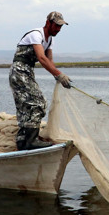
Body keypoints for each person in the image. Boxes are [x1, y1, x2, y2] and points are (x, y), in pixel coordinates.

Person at [9, 11, 72, 151]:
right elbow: (42, 58)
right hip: (19, 72)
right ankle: (31, 141)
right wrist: (59, 74)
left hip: (27, 72)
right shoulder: (36, 34)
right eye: (56, 26)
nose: (58, 29)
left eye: (60, 27)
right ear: (48, 23)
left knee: (26, 106)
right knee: (38, 103)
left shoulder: (50, 39)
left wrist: (57, 77)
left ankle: (22, 141)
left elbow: (49, 60)